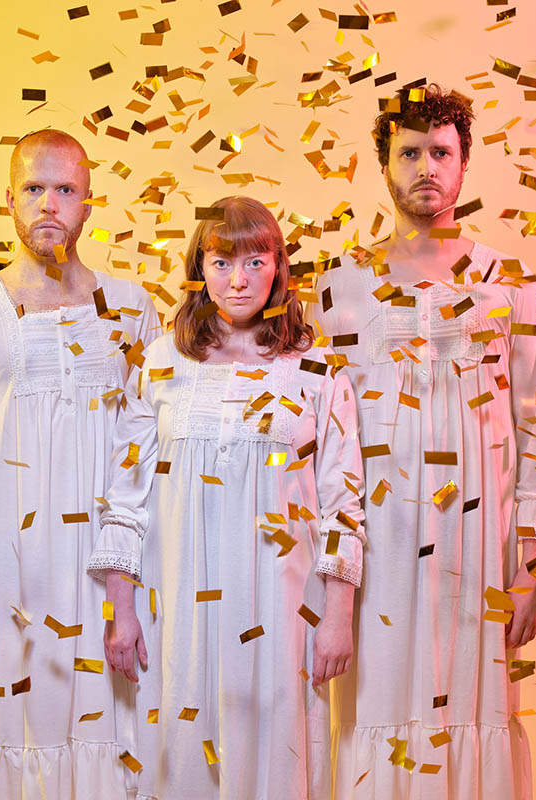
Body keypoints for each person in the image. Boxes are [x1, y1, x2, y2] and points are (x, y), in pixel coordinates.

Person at [307, 85, 536, 799]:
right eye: (410, 152)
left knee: (477, 706)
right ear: (383, 165)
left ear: (464, 163)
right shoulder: (339, 286)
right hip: (378, 543)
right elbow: (320, 433)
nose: (426, 167)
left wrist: (532, 565)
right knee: (378, 703)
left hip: (481, 544)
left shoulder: (508, 283)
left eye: (441, 152)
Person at [87, 195, 366, 799]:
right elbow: (125, 495)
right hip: (180, 604)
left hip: (284, 607)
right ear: (198, 268)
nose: (237, 280)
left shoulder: (316, 369)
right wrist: (121, 610)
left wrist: (338, 619)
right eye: (220, 263)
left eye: (255, 261)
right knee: (181, 748)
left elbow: (344, 499)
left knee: (279, 751)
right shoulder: (160, 362)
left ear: (278, 268)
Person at [0, 129, 160, 799]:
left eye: (65, 190)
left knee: (109, 735)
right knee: (6, 734)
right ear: (8, 200)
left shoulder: (135, 311)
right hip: (3, 579)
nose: (48, 204)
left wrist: (126, 585)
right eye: (33, 188)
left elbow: (147, 458)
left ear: (89, 204)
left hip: (104, 578)